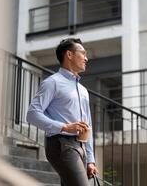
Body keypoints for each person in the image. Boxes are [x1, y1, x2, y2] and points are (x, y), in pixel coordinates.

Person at [27, 38, 98, 186]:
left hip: (81, 147)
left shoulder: (83, 90)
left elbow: (88, 126)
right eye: (82, 53)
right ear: (69, 55)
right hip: (61, 144)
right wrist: (64, 127)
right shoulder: (52, 83)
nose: (86, 58)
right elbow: (32, 114)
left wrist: (90, 159)